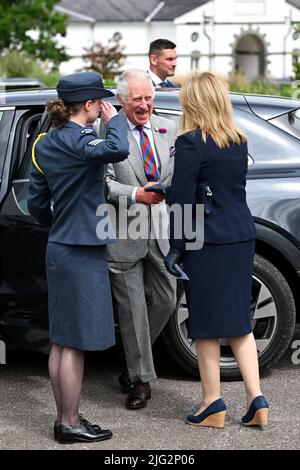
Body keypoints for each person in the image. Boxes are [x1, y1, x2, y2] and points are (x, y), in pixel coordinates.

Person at [27, 72, 129, 443]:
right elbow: (117, 150)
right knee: (73, 343)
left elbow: (37, 204)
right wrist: (115, 119)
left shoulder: (45, 142)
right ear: (89, 105)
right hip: (82, 250)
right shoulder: (81, 137)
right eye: (99, 102)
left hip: (60, 246)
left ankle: (65, 417)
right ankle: (68, 422)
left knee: (62, 339)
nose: (104, 106)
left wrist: (63, 222)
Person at [165, 72, 269, 428]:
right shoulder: (238, 140)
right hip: (240, 234)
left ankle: (212, 404)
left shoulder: (191, 141)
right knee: (240, 321)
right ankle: (257, 399)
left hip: (207, 240)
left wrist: (175, 248)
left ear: (193, 102)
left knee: (205, 324)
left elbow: (182, 199)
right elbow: (216, 188)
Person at [104, 69, 177, 410]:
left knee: (166, 300)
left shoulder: (167, 129)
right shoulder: (108, 130)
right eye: (137, 99)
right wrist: (135, 194)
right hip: (123, 234)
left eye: (149, 97)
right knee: (131, 310)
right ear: (121, 100)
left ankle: (133, 363)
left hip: (161, 233)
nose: (145, 105)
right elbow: (102, 184)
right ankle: (140, 380)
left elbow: (177, 174)